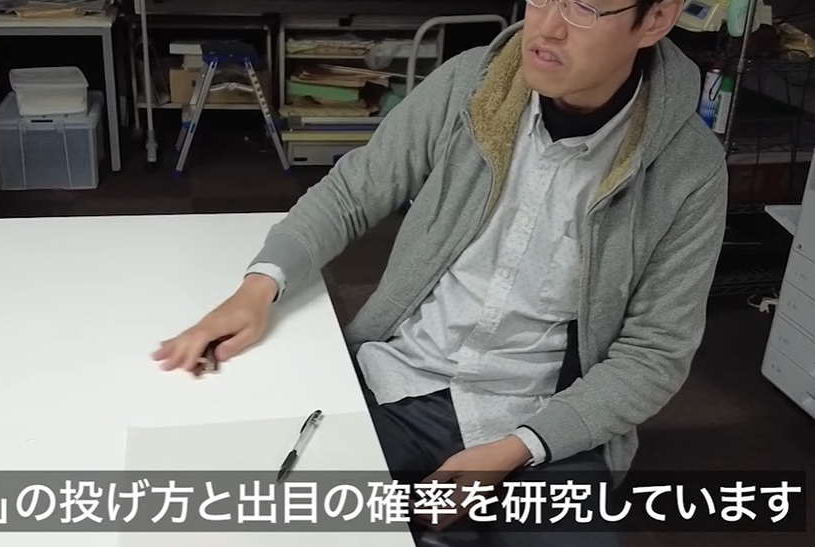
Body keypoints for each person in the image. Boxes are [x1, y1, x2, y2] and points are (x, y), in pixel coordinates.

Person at [153, 0, 727, 544]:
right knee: (265, 518)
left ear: (657, 18)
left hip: (546, 423)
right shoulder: (471, 83)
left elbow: (654, 354)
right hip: (403, 380)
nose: (547, 27)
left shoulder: (690, 168)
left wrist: (518, 448)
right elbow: (354, 191)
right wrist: (260, 287)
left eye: (583, 7)